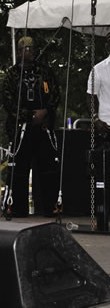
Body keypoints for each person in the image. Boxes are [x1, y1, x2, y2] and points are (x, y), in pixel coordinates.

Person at [1, 36, 61, 218]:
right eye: (26, 49)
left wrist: (44, 113)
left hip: (43, 128)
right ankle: (19, 209)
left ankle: (49, 207)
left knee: (48, 169)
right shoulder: (12, 74)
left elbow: (56, 95)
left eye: (32, 48)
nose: (30, 52)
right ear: (19, 52)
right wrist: (29, 116)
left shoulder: (45, 71)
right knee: (19, 170)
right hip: (21, 128)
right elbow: (8, 101)